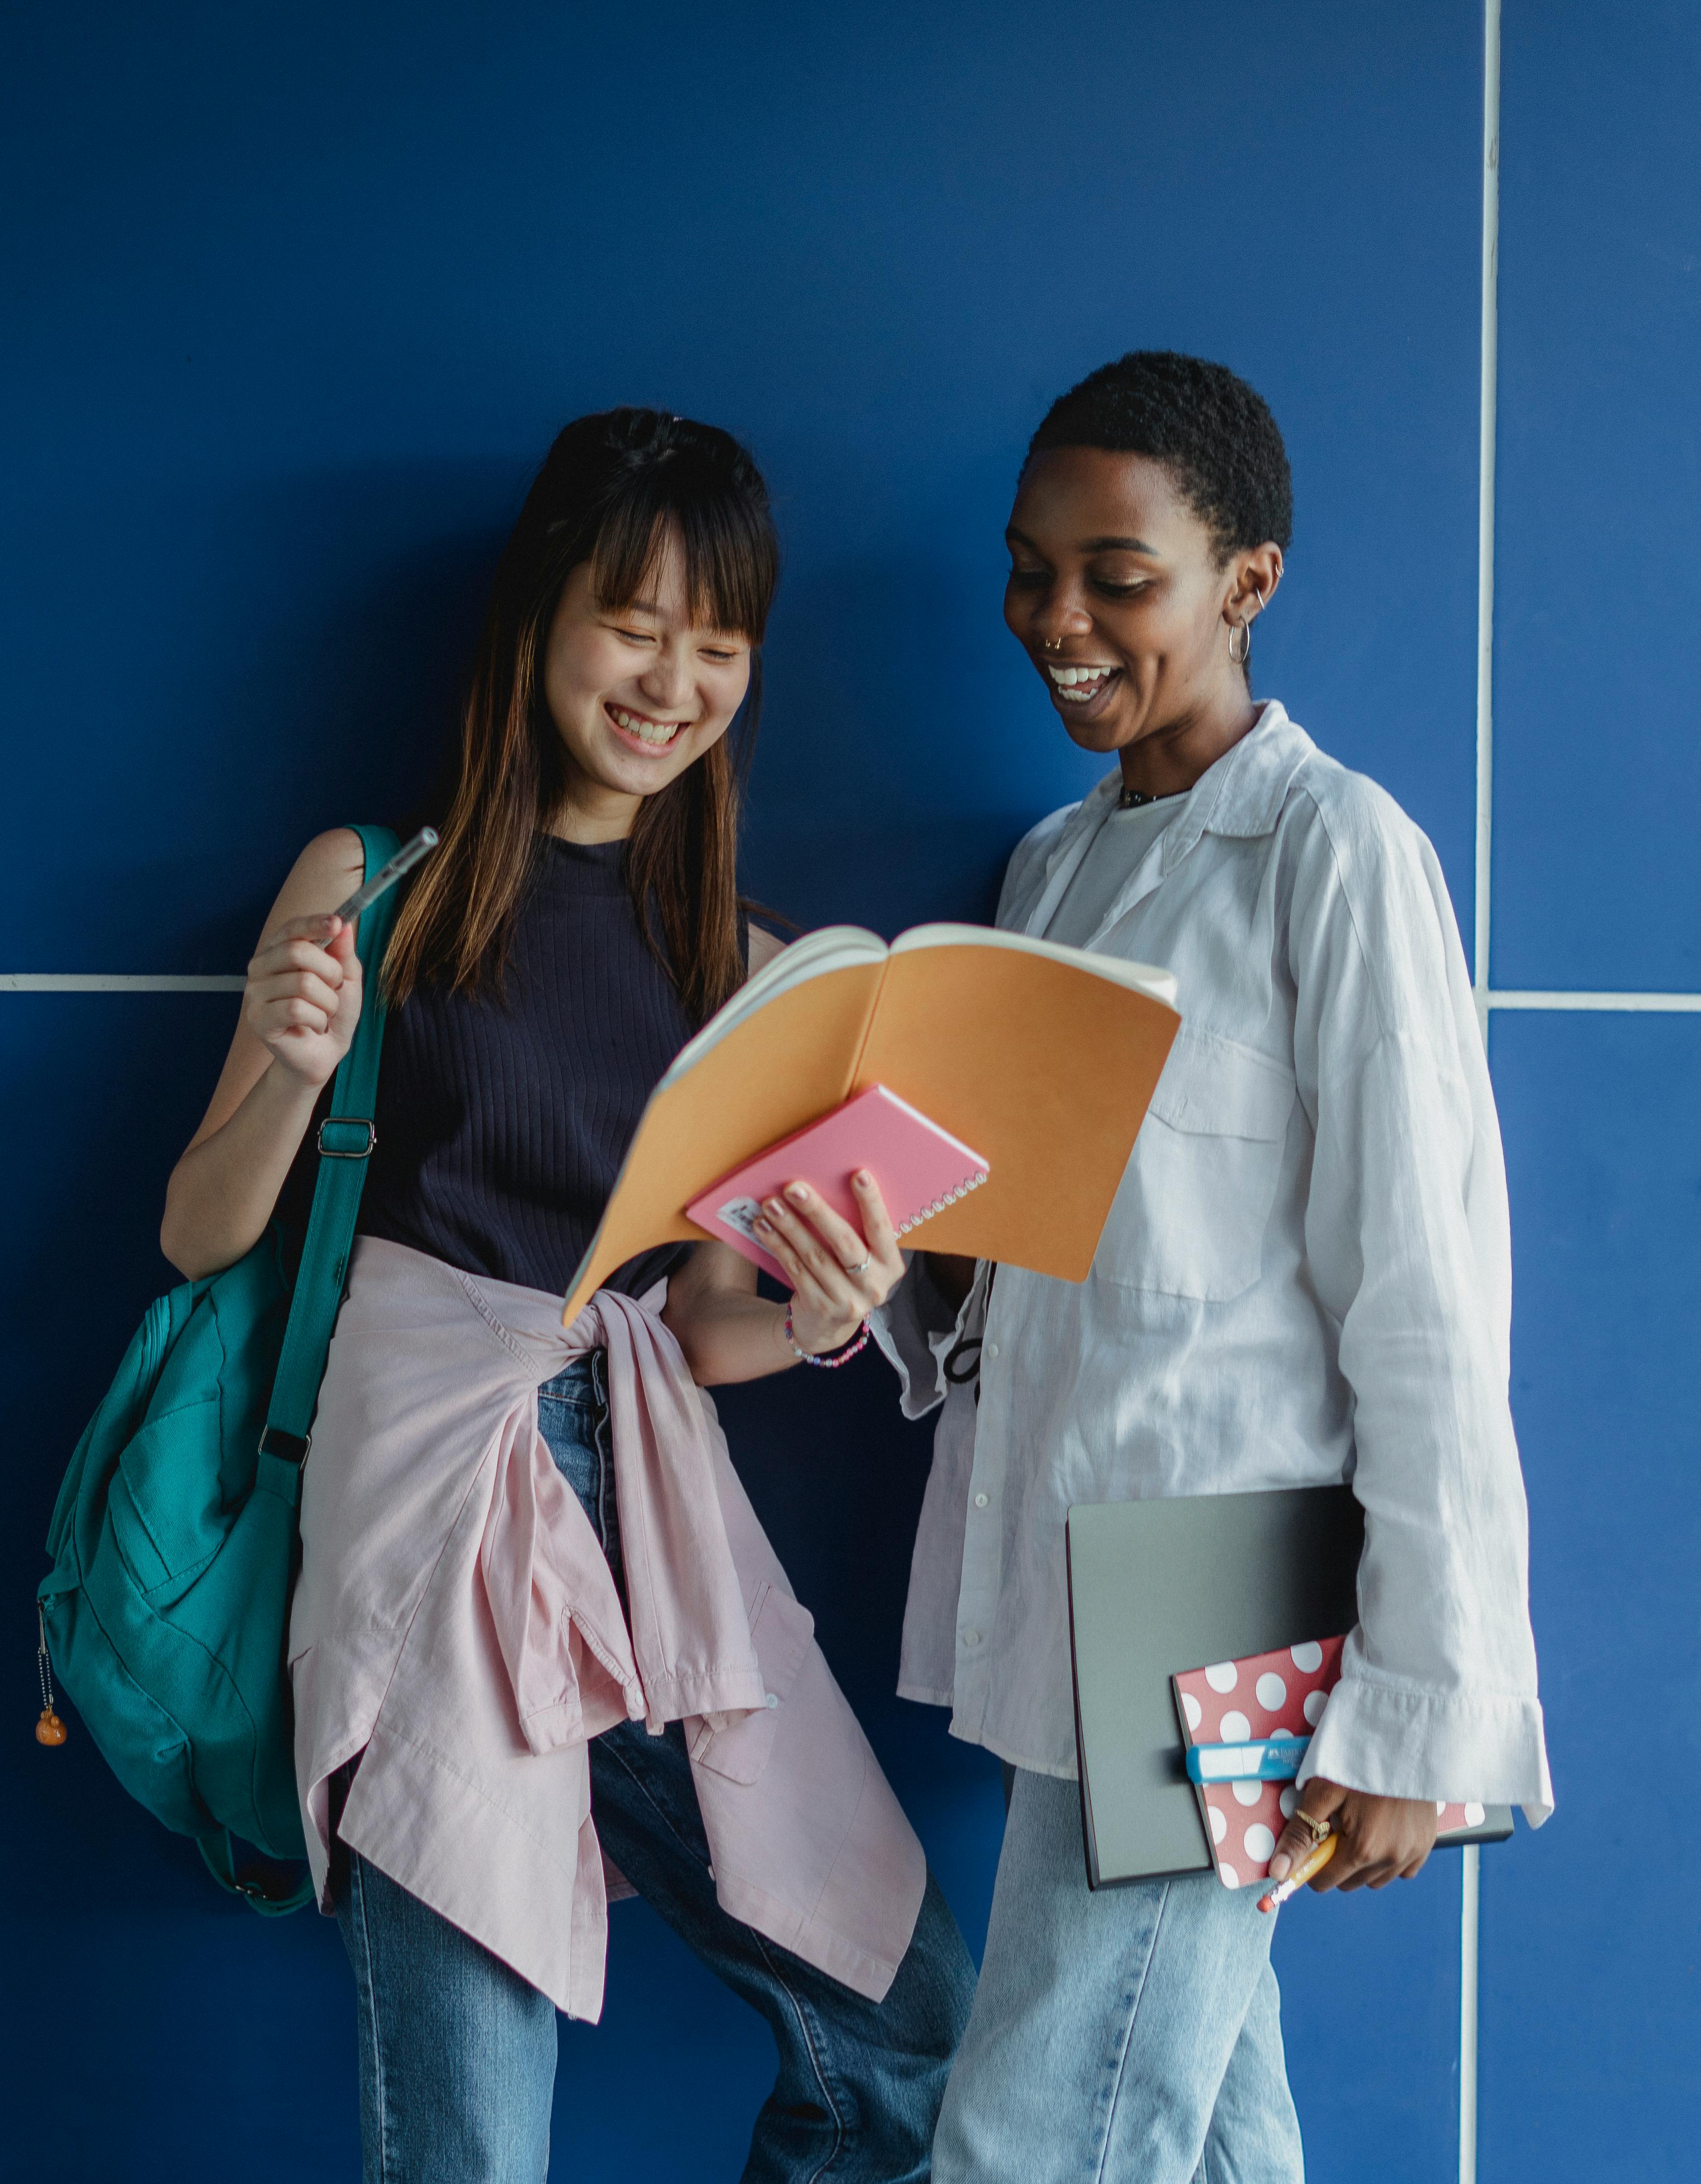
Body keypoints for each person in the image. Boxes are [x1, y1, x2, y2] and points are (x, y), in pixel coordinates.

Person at [161, 406, 975, 2184]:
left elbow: (692, 1327)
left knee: (907, 2028)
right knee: (472, 2146)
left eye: (721, 641)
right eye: (636, 621)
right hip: (432, 1514)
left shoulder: (747, 967)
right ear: (542, 614)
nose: (674, 680)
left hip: (650, 1515)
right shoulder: (379, 887)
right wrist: (292, 1075)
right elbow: (200, 1233)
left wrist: (830, 1305)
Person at [874, 352, 1553, 2183]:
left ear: (1246, 580)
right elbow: (1030, 1278)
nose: (1060, 621)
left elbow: (1427, 1302)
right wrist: (881, 1253)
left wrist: (1423, 1702)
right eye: (1030, 570)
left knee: (1038, 2145)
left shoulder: (1339, 853)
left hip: (1227, 1612)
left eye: (1119, 574)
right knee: (1206, 2129)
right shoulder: (1046, 873)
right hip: (1083, 1585)